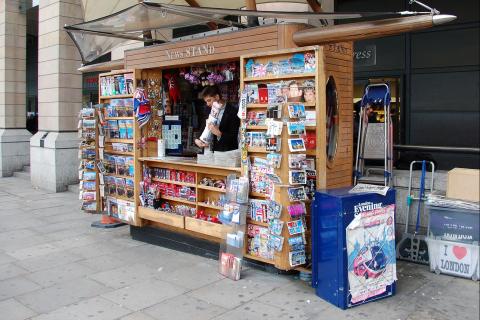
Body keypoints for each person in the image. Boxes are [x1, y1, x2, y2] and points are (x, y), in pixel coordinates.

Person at [195, 85, 240, 152]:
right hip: (208, 153)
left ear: (217, 97)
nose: (207, 104)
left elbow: (234, 137)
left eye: (209, 100)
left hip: (225, 154)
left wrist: (219, 133)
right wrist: (197, 140)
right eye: (206, 101)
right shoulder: (208, 110)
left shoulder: (232, 111)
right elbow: (202, 128)